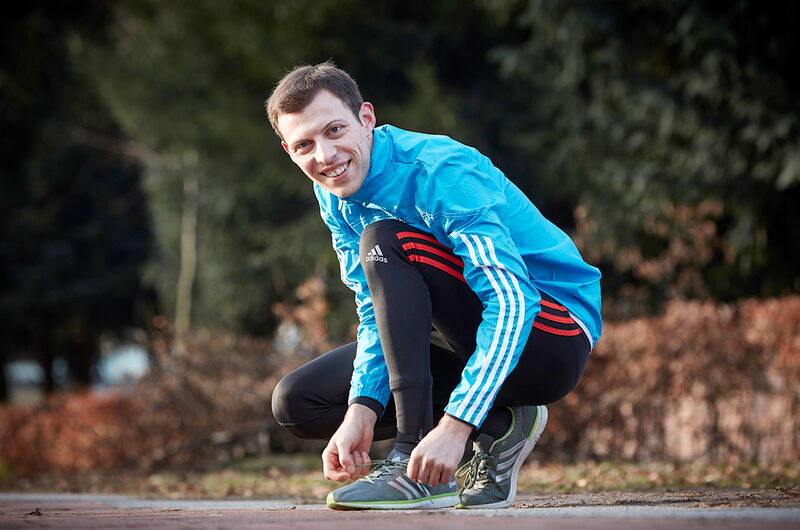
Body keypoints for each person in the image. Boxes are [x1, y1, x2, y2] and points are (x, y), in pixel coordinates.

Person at [268, 61, 602, 510]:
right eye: (304, 145)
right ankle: (501, 426)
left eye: (334, 130)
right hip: (464, 339)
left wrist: (455, 425)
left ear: (366, 118)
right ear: (288, 150)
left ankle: (412, 460)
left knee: (385, 239)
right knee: (299, 403)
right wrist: (362, 409)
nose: (325, 156)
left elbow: (512, 300)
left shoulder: (440, 170)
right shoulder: (335, 191)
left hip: (551, 337)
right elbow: (375, 309)